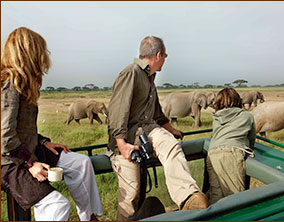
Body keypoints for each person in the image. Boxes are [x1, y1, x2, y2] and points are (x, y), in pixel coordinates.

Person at [1, 27, 103, 221]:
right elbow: (4, 137)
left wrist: (42, 142)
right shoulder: (9, 85)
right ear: (28, 52)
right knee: (57, 206)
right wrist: (29, 163)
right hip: (10, 161)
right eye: (40, 50)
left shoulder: (24, 83)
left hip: (27, 150)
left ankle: (89, 217)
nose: (44, 56)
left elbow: (21, 128)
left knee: (81, 163)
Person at [107, 36, 209, 221]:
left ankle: (187, 197)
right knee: (130, 195)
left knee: (171, 146)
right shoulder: (131, 73)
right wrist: (121, 144)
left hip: (148, 130)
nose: (165, 60)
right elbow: (117, 111)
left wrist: (171, 129)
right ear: (159, 55)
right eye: (165, 56)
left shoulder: (149, 78)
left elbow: (157, 113)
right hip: (128, 137)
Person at [206, 87, 256, 204]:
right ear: (238, 100)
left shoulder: (216, 117)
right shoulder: (247, 117)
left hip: (212, 153)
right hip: (231, 154)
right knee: (235, 196)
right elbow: (252, 138)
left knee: (216, 195)